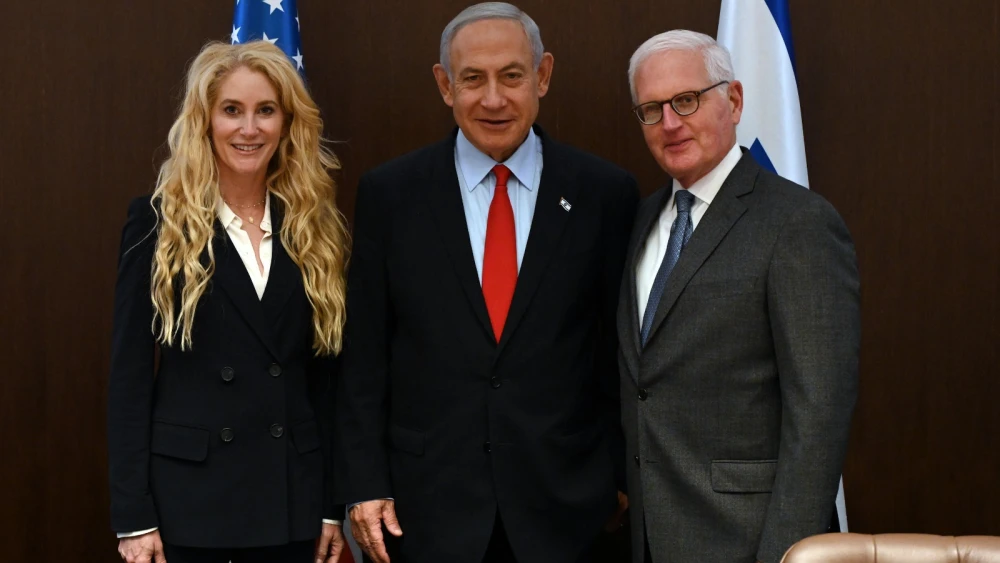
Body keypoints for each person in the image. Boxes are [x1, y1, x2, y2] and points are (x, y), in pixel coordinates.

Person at [333, 3, 637, 562]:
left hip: (569, 513)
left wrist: (619, 478)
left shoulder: (604, 193)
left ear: (543, 76)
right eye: (472, 78)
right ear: (445, 85)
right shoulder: (391, 194)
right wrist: (364, 483)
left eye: (512, 76)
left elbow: (619, 354)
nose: (493, 99)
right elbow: (365, 358)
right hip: (424, 513)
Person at [618, 29, 860, 563]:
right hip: (653, 538)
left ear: (734, 99)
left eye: (686, 100)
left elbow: (819, 412)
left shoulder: (798, 223)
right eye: (651, 109)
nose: (671, 123)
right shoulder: (637, 222)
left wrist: (786, 553)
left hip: (751, 540)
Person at [107, 41, 350, 563]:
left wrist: (332, 505)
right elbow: (128, 379)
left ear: (287, 122)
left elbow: (327, 381)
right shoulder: (157, 223)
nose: (249, 128)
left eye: (266, 111)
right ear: (204, 120)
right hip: (188, 509)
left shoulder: (315, 225)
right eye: (231, 110)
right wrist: (133, 516)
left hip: (292, 503)